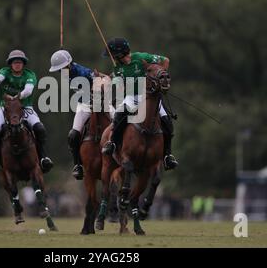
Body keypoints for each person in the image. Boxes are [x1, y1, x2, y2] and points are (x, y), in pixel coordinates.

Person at [101, 37, 178, 171]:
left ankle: (167, 155)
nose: (111, 58)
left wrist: (161, 81)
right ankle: (112, 142)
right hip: (132, 97)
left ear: (119, 54)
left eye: (112, 55)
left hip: (149, 95)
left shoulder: (141, 57)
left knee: (166, 121)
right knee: (119, 116)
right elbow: (117, 82)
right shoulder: (118, 67)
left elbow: (165, 60)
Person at [0, 50, 54, 176]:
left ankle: (43, 158)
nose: (17, 64)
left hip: (25, 107)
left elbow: (28, 90)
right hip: (5, 109)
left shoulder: (29, 75)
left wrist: (17, 97)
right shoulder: (5, 72)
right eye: (14, 62)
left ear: (23, 64)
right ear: (10, 64)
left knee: (39, 128)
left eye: (20, 62)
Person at [49, 49, 106, 180]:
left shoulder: (83, 72)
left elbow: (98, 81)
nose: (60, 71)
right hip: (84, 106)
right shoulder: (65, 73)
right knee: (73, 135)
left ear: (69, 64)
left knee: (117, 122)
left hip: (100, 103)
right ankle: (78, 165)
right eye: (59, 69)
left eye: (62, 68)